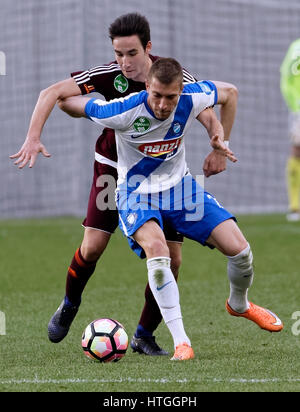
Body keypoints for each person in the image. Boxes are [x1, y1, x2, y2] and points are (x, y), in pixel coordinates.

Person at [59, 57, 284, 361]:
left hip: (181, 190)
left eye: (171, 97)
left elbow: (230, 93)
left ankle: (239, 304)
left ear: (181, 91)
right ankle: (182, 342)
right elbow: (69, 103)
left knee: (240, 250)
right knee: (158, 250)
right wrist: (69, 104)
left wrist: (220, 142)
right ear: (147, 87)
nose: (163, 105)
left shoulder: (192, 97)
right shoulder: (124, 109)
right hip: (135, 193)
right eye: (157, 95)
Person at [10, 13, 207, 355]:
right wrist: (33, 137)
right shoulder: (108, 75)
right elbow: (53, 93)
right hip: (112, 170)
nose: (124, 62)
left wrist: (217, 135)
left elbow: (204, 105)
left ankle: (144, 335)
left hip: (161, 175)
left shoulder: (170, 75)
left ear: (148, 47)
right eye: (118, 54)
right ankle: (70, 303)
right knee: (93, 247)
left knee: (171, 261)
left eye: (131, 53)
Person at [280, 38, 300, 222]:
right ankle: (295, 206)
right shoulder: (296, 48)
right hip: (299, 109)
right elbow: (286, 77)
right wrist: (296, 106)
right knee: (297, 152)